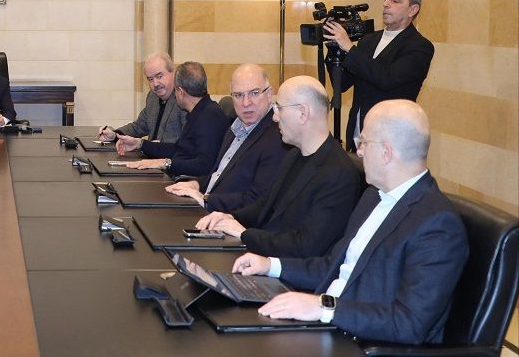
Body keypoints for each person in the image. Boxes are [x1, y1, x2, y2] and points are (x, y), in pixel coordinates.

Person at [232, 100, 467, 344]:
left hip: (361, 343)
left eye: (363, 142)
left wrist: (323, 307)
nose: (359, 151)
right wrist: (270, 265)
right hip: (328, 325)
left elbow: (409, 324)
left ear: (386, 152)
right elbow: (333, 267)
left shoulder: (437, 224)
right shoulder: (372, 196)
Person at [196, 76, 361, 257]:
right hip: (264, 254)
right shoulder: (294, 155)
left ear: (303, 113)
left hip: (284, 268)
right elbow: (266, 205)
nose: (274, 117)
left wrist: (244, 234)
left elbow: (305, 246)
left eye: (279, 109)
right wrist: (230, 217)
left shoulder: (338, 173)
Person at [323, 0, 434, 149]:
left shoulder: (419, 46)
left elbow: (387, 79)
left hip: (390, 137)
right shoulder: (368, 40)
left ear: (412, 10)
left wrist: (349, 48)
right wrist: (334, 51)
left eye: (395, 0)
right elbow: (343, 84)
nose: (386, 4)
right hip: (357, 133)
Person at [164, 64, 288, 212]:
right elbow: (219, 175)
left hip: (229, 218)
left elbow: (258, 200)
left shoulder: (277, 137)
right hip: (208, 207)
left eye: (254, 93)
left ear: (269, 94)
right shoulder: (235, 127)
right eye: (238, 95)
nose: (246, 103)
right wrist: (196, 184)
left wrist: (206, 199)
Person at [115, 62, 229, 177]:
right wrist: (139, 144)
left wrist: (165, 163)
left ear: (180, 92)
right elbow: (178, 150)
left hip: (189, 183)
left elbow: (205, 166)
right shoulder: (198, 112)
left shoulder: (210, 116)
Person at [97, 52, 187, 143]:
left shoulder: (184, 99)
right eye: (150, 79)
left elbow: (187, 141)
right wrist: (114, 135)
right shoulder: (152, 97)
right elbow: (138, 127)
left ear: (173, 73)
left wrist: (159, 146)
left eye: (159, 76)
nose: (155, 84)